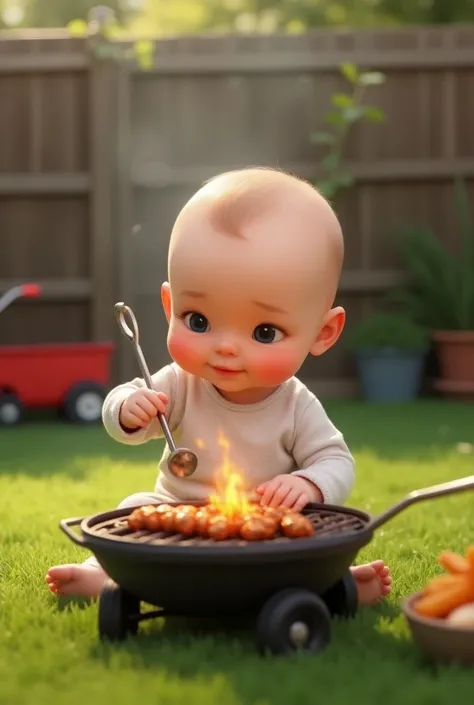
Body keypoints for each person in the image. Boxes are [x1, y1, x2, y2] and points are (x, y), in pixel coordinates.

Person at [46, 167, 391, 603]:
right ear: (170, 306)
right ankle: (104, 575)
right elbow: (121, 409)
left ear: (323, 333)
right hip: (179, 515)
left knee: (313, 535)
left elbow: (336, 461)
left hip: (266, 525)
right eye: (199, 321)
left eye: (264, 332)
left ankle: (337, 585)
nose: (225, 348)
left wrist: (309, 485)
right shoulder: (180, 383)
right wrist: (129, 408)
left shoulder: (296, 406)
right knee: (133, 505)